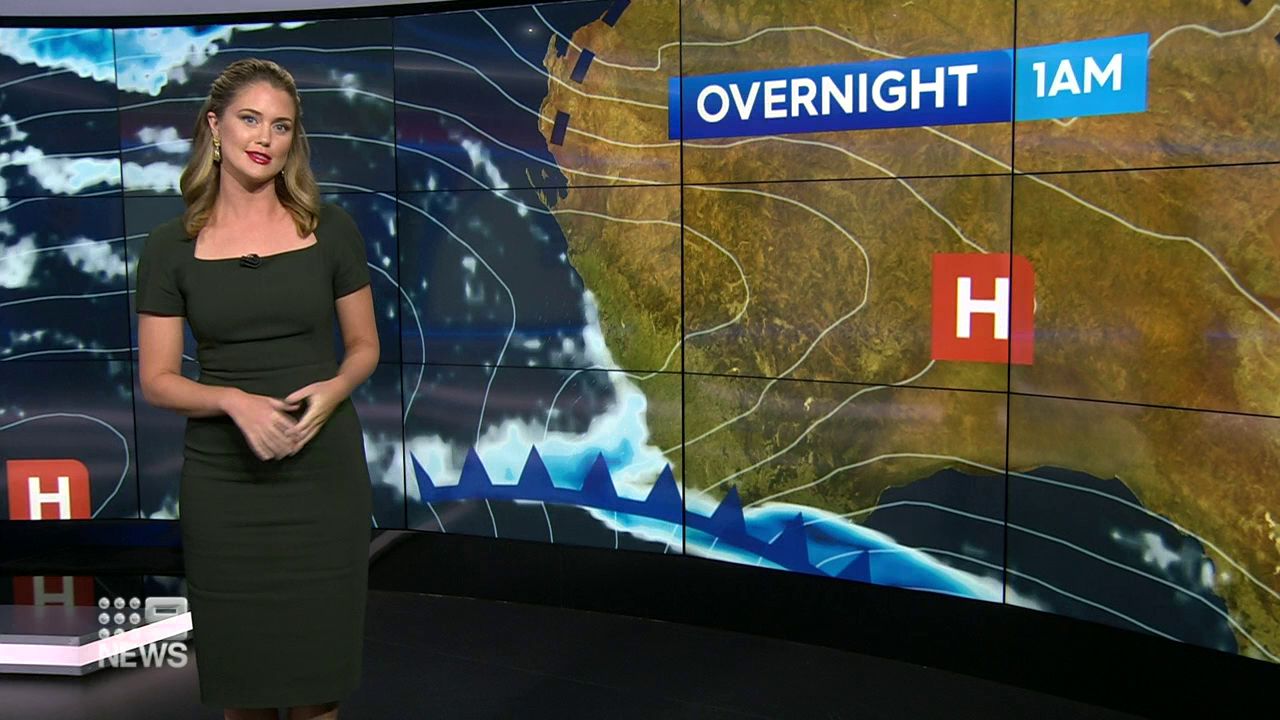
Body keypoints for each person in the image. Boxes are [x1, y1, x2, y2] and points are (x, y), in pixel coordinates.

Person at [134, 58, 379, 720]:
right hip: (226, 484)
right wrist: (231, 400)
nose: (264, 137)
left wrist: (334, 389)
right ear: (214, 127)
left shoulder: (330, 230)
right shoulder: (170, 248)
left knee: (317, 689)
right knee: (244, 689)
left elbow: (364, 346)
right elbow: (157, 380)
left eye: (281, 125)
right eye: (250, 119)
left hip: (322, 477)